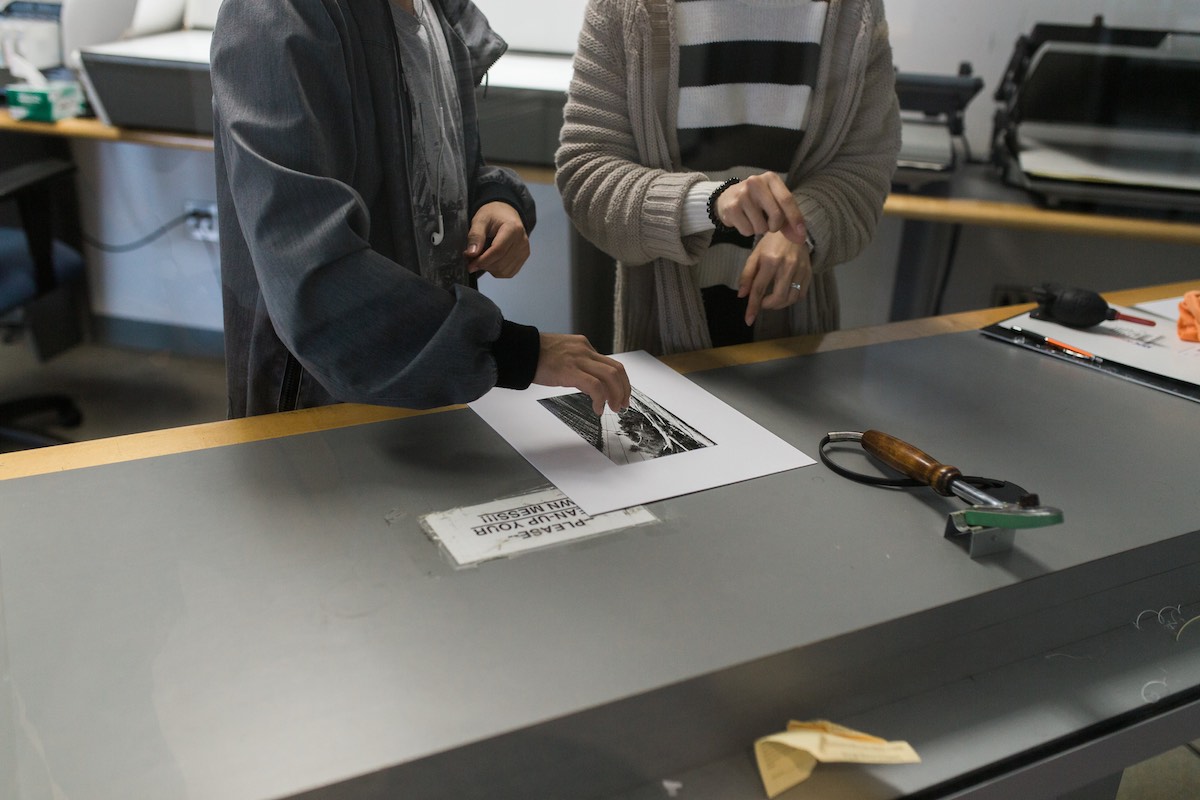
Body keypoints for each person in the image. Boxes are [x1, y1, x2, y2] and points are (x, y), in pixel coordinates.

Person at [210, 0, 629, 418]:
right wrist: (516, 351)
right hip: (324, 408)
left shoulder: (435, 9)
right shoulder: (276, 13)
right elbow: (311, 271)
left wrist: (492, 199)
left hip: (433, 392)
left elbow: (436, 160)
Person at [556, 0, 902, 354]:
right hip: (661, 329)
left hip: (794, 331)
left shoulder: (853, 10)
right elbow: (587, 173)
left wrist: (803, 229)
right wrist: (710, 202)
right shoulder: (626, 8)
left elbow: (862, 168)